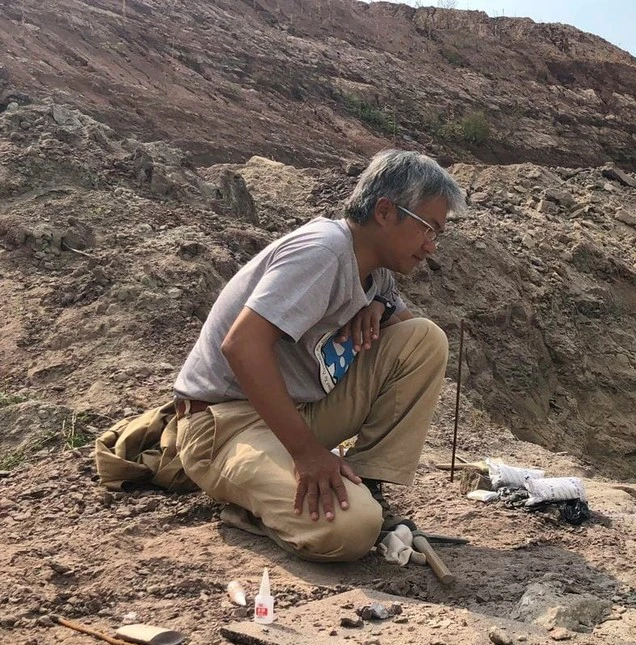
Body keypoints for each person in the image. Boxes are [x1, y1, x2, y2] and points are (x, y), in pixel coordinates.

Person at [172, 149, 465, 562]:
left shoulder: (374, 268)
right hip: (226, 424)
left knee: (425, 339)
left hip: (294, 412)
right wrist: (308, 454)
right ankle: (261, 509)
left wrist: (378, 305)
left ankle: (366, 485)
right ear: (385, 211)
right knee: (353, 529)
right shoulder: (323, 251)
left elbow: (407, 330)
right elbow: (242, 345)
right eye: (427, 228)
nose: (431, 246)